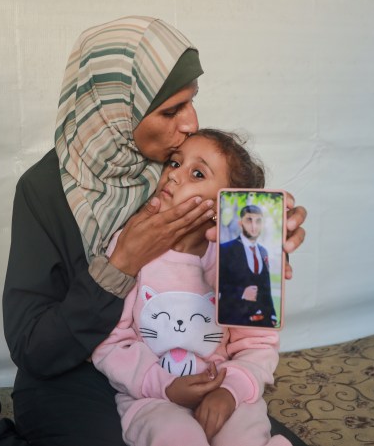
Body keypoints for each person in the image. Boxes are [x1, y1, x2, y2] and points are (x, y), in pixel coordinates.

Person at [0, 16, 307, 446]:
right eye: (171, 110)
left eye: (192, 101)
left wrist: (262, 241)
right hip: (76, 367)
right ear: (116, 110)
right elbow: (34, 348)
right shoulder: (44, 190)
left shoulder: (174, 167)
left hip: (190, 368)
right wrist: (122, 264)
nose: (191, 123)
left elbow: (238, 262)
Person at [92, 129, 290, 446]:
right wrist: (165, 386)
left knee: (246, 438)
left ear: (224, 204)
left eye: (197, 173)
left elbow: (257, 344)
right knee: (178, 436)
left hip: (224, 392)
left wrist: (230, 392)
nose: (174, 177)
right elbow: (110, 340)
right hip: (152, 399)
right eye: (174, 163)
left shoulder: (236, 260)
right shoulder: (132, 245)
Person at [218, 205, 278, 327]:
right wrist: (242, 293)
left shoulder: (263, 251)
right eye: (249, 220)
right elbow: (218, 286)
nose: (254, 226)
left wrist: (272, 315)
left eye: (258, 221)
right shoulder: (225, 250)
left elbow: (267, 287)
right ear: (240, 223)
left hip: (264, 323)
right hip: (235, 320)